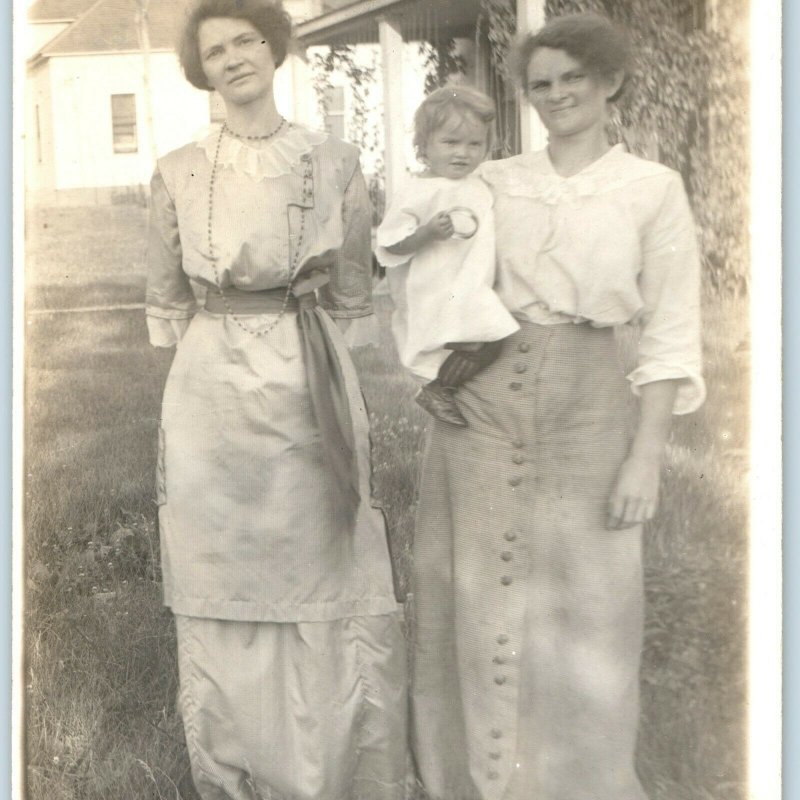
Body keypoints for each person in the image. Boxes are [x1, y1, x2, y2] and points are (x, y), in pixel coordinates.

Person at [411, 12, 705, 800]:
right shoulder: (497, 179)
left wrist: (645, 456)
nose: (558, 94)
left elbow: (672, 336)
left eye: (574, 77)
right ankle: (471, 782)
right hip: (482, 404)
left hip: (592, 406)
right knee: (473, 594)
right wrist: (433, 362)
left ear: (610, 81)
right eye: (542, 84)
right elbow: (427, 257)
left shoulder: (652, 189)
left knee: (591, 606)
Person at [145, 2, 406, 798]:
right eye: (214, 51)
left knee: (323, 558)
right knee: (224, 563)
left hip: (307, 378)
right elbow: (166, 299)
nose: (232, 59)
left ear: (275, 46)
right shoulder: (178, 170)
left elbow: (355, 291)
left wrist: (313, 357)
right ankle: (240, 769)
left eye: (246, 41)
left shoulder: (335, 161)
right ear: (200, 69)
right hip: (210, 392)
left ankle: (335, 770)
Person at [375, 86, 519, 426]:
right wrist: (426, 233)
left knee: (490, 339)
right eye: (450, 143)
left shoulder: (478, 185)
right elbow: (390, 244)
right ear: (423, 147)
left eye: (475, 144)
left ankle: (441, 385)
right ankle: (440, 388)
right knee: (488, 338)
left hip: (471, 283)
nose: (463, 153)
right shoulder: (417, 191)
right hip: (438, 285)